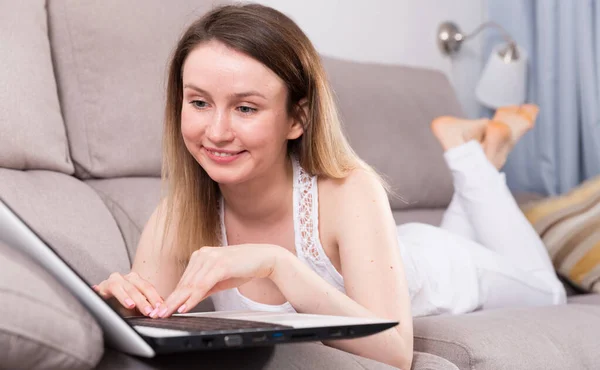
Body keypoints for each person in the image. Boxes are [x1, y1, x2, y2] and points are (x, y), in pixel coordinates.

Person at [92, 4, 566, 369]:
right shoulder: (179, 213)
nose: (215, 132)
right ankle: (482, 148)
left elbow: (395, 351)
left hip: (447, 267)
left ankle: (470, 155)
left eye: (246, 108)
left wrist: (276, 264)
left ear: (297, 118)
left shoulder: (348, 190)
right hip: (392, 251)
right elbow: (147, 328)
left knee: (550, 293)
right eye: (198, 102)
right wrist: (115, 306)